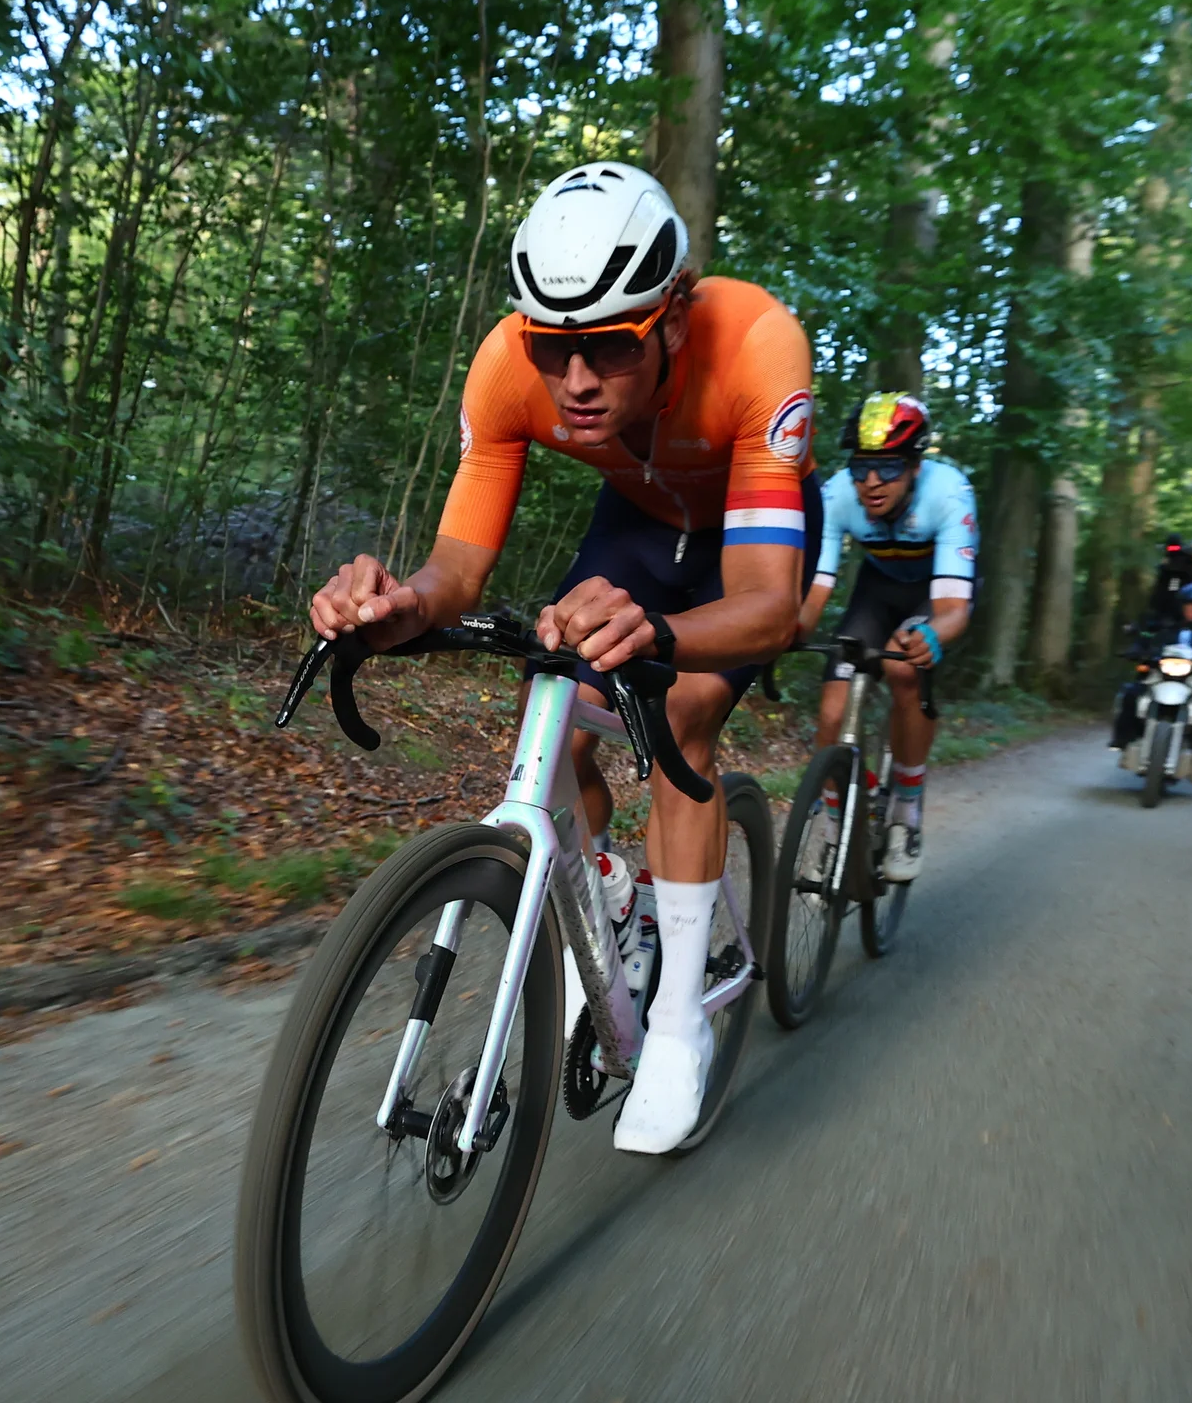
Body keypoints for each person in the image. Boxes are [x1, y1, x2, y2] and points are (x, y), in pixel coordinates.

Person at [308, 163, 818, 1154]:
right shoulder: (508, 366)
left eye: (610, 349)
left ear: (672, 320)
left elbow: (768, 606)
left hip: (746, 536)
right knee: (560, 712)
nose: (576, 382)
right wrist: (396, 606)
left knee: (678, 720)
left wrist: (661, 635)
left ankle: (675, 1019)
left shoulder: (757, 344)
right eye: (554, 348)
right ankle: (614, 904)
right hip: (636, 519)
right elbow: (454, 571)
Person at [794, 393, 978, 882]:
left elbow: (954, 609)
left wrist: (934, 635)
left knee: (902, 668)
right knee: (832, 713)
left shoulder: (950, 493)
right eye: (861, 467)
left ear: (916, 466)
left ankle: (907, 811)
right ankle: (836, 835)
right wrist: (786, 633)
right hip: (874, 596)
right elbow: (817, 588)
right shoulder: (837, 495)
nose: (871, 483)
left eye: (889, 467)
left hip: (932, 597)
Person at [1113, 530, 1192, 769]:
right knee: (1132, 692)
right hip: (1163, 661)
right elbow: (1147, 631)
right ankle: (1123, 738)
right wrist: (1137, 649)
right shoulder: (1163, 622)